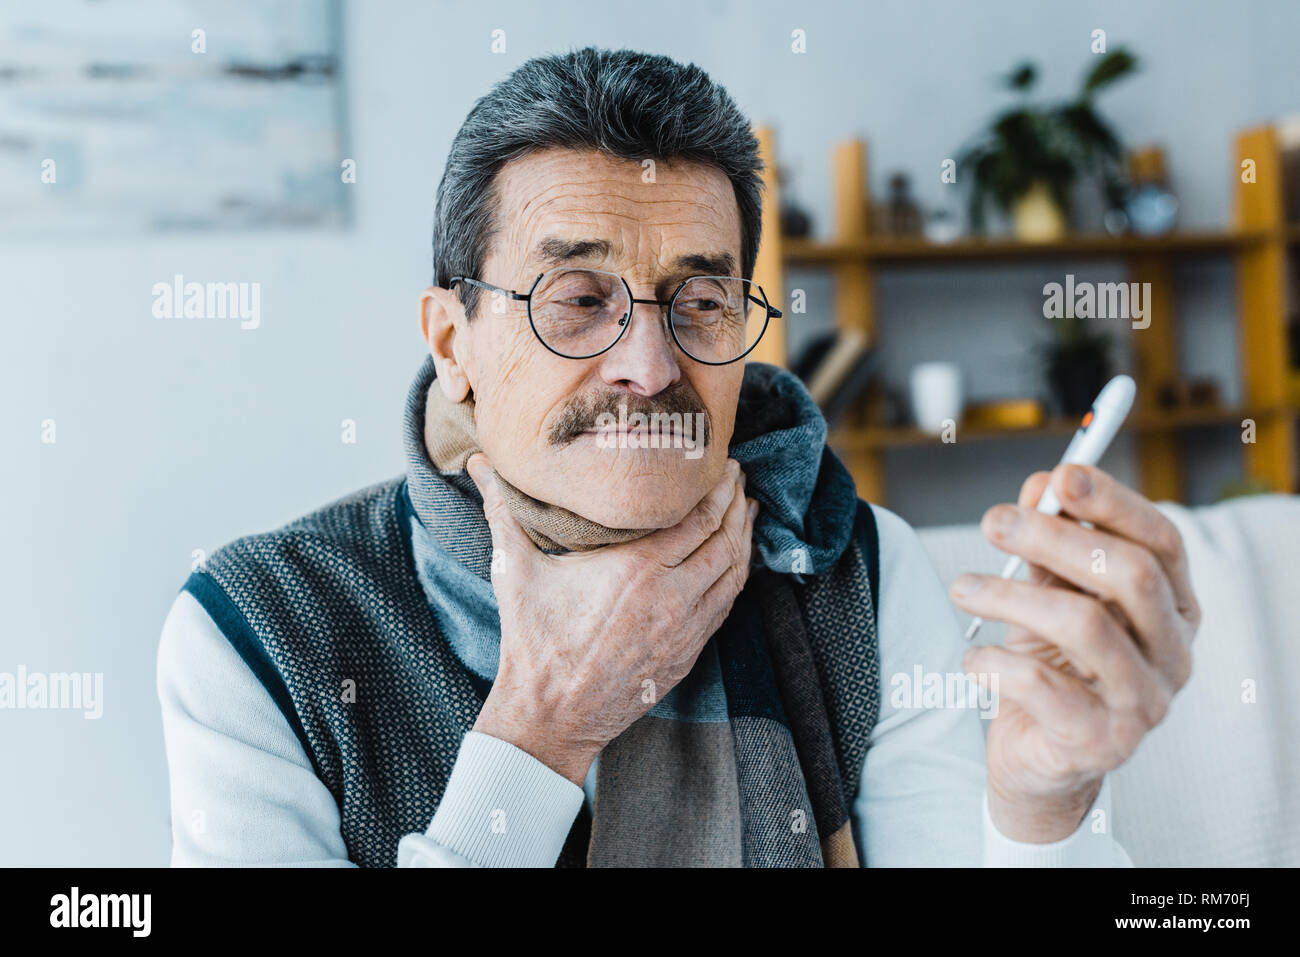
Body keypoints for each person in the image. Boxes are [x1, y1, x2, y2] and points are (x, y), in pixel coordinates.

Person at [157, 47, 1199, 867]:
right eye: (577, 302)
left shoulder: (855, 570)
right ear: (452, 342)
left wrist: (1040, 809)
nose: (649, 367)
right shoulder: (254, 634)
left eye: (700, 303)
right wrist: (542, 731)